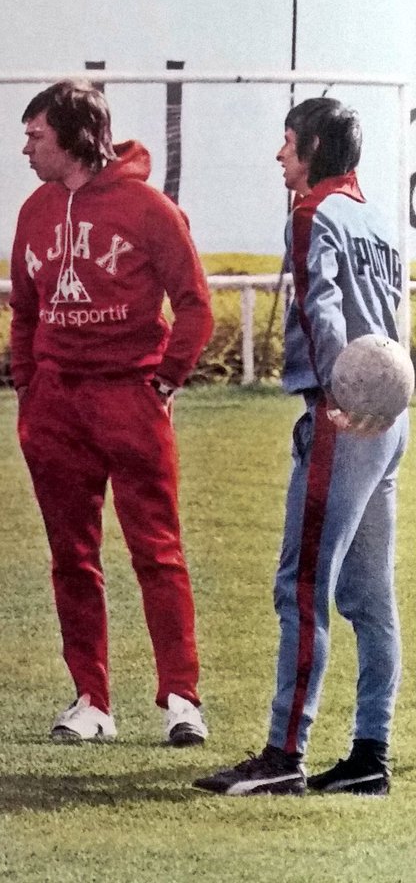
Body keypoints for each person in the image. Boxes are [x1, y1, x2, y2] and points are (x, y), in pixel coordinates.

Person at [195, 98, 407, 796]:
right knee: (372, 600)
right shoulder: (379, 219)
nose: (278, 156)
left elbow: (319, 308)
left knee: (303, 589)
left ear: (313, 145)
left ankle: (285, 755)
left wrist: (338, 397)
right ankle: (369, 756)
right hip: (389, 421)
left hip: (343, 420)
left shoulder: (313, 212)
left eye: (286, 143)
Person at [9, 79, 214, 746]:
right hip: (56, 405)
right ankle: (91, 702)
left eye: (35, 135)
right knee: (72, 556)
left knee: (156, 551)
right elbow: (24, 311)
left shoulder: (148, 207)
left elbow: (194, 304)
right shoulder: (33, 212)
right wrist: (28, 386)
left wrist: (164, 380)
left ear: (70, 134)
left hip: (130, 397)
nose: (26, 148)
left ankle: (182, 700)